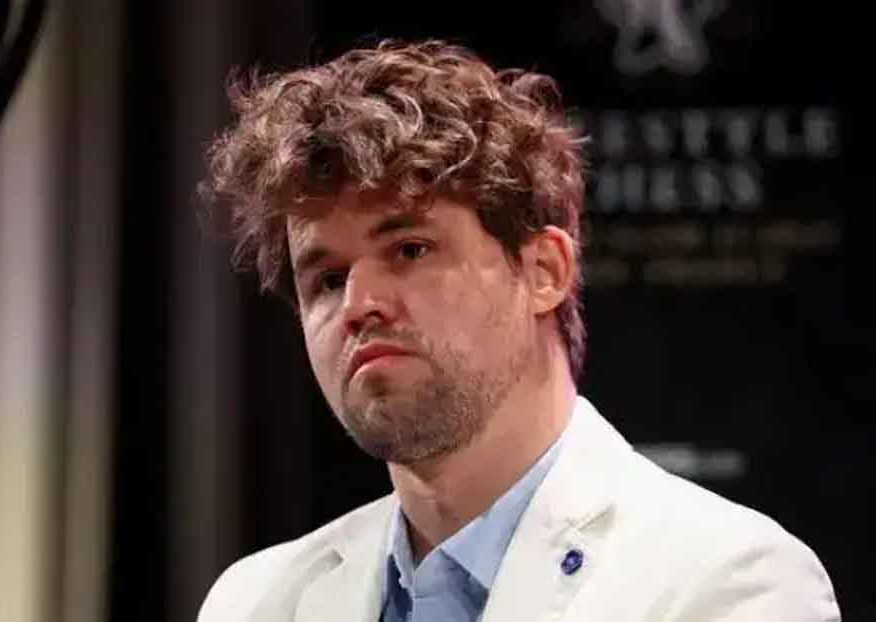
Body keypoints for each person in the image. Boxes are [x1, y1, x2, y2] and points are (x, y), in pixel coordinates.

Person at [196, 39, 840, 621]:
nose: (359, 304)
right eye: (328, 280)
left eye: (411, 250)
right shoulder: (254, 603)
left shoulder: (731, 582)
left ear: (544, 271)